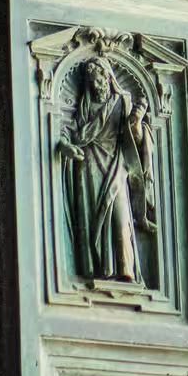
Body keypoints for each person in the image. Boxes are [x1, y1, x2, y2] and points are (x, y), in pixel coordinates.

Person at [57, 56, 155, 286]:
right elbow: (71, 132)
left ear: (109, 77)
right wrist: (66, 146)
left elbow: (134, 139)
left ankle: (125, 270)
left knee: (121, 217)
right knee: (93, 223)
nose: (97, 85)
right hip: (89, 166)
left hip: (116, 165)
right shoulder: (85, 106)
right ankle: (100, 270)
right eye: (92, 82)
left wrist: (136, 123)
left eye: (99, 79)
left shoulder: (122, 101)